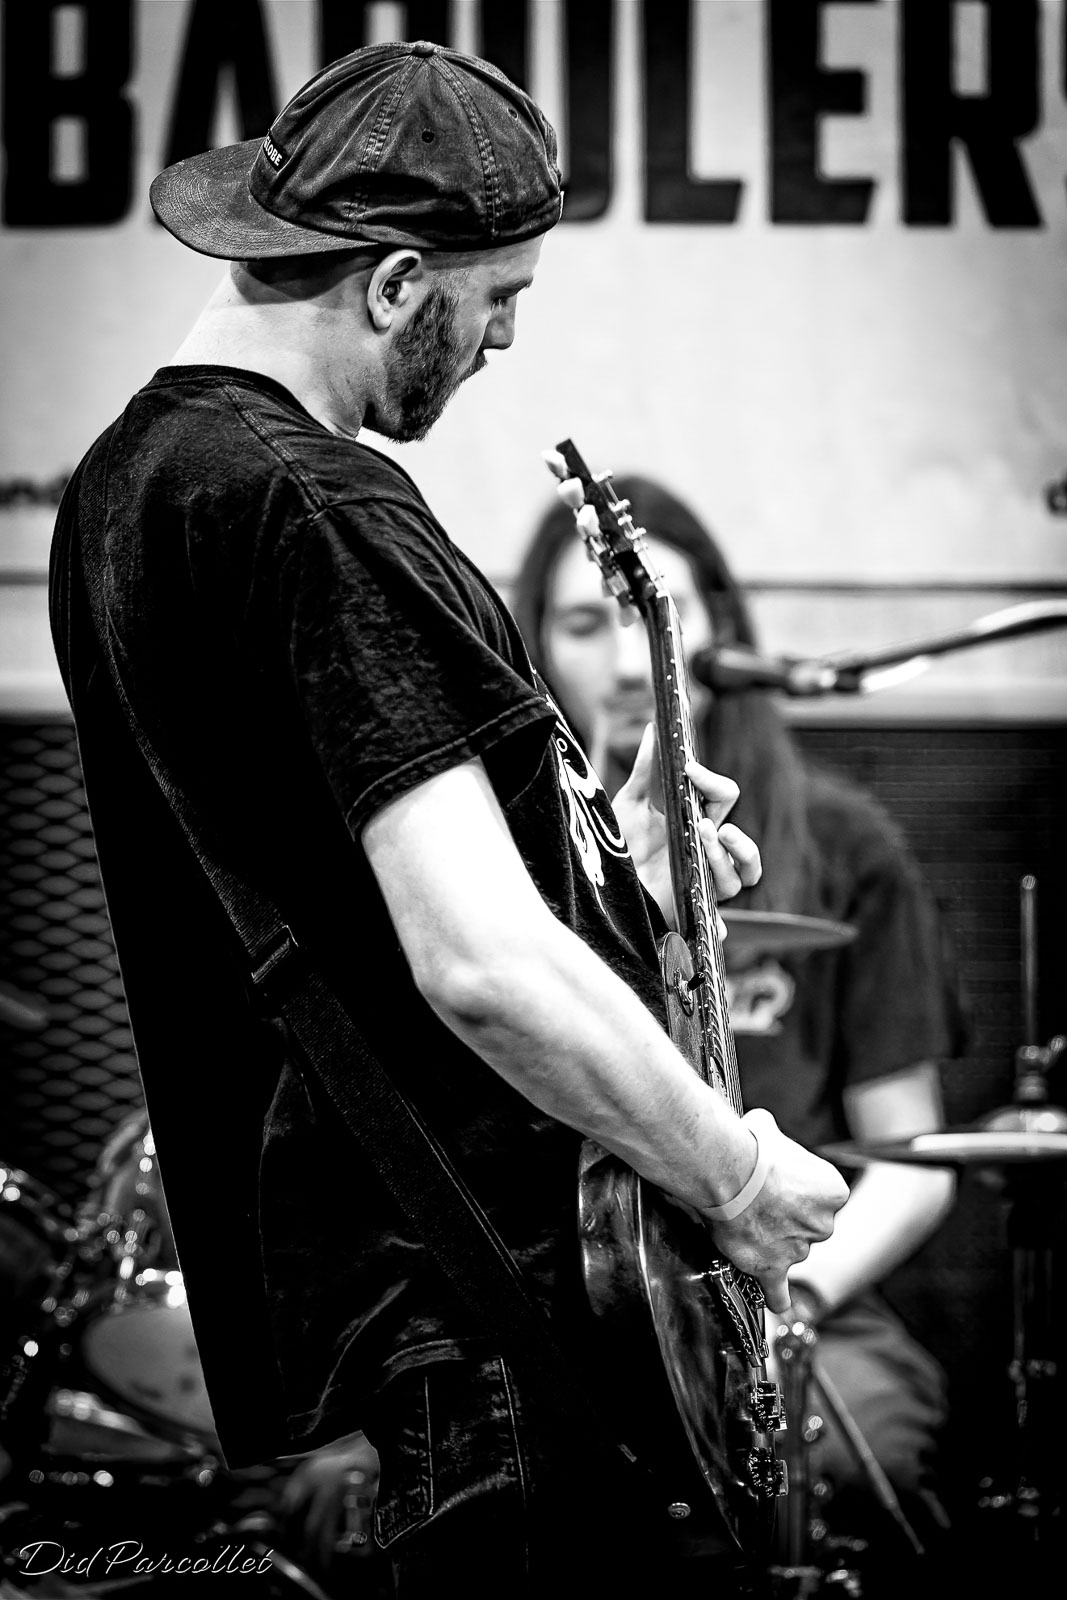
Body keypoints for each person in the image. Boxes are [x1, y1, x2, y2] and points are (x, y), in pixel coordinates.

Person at [47, 42, 847, 1598]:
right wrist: (734, 1184)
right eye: (499, 297)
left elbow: (337, 899)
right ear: (398, 283)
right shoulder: (320, 507)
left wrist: (602, 867)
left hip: (375, 1329)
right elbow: (475, 964)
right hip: (491, 1322)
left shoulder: (128, 490)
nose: (503, 340)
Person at [512, 475, 964, 1598]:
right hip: (572, 1308)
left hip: (802, 1301)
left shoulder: (843, 842)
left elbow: (913, 1158)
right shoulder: (500, 866)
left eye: (645, 617)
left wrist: (790, 1306)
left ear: (713, 629)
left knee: (855, 1465)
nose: (627, 661)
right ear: (535, 646)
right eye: (582, 624)